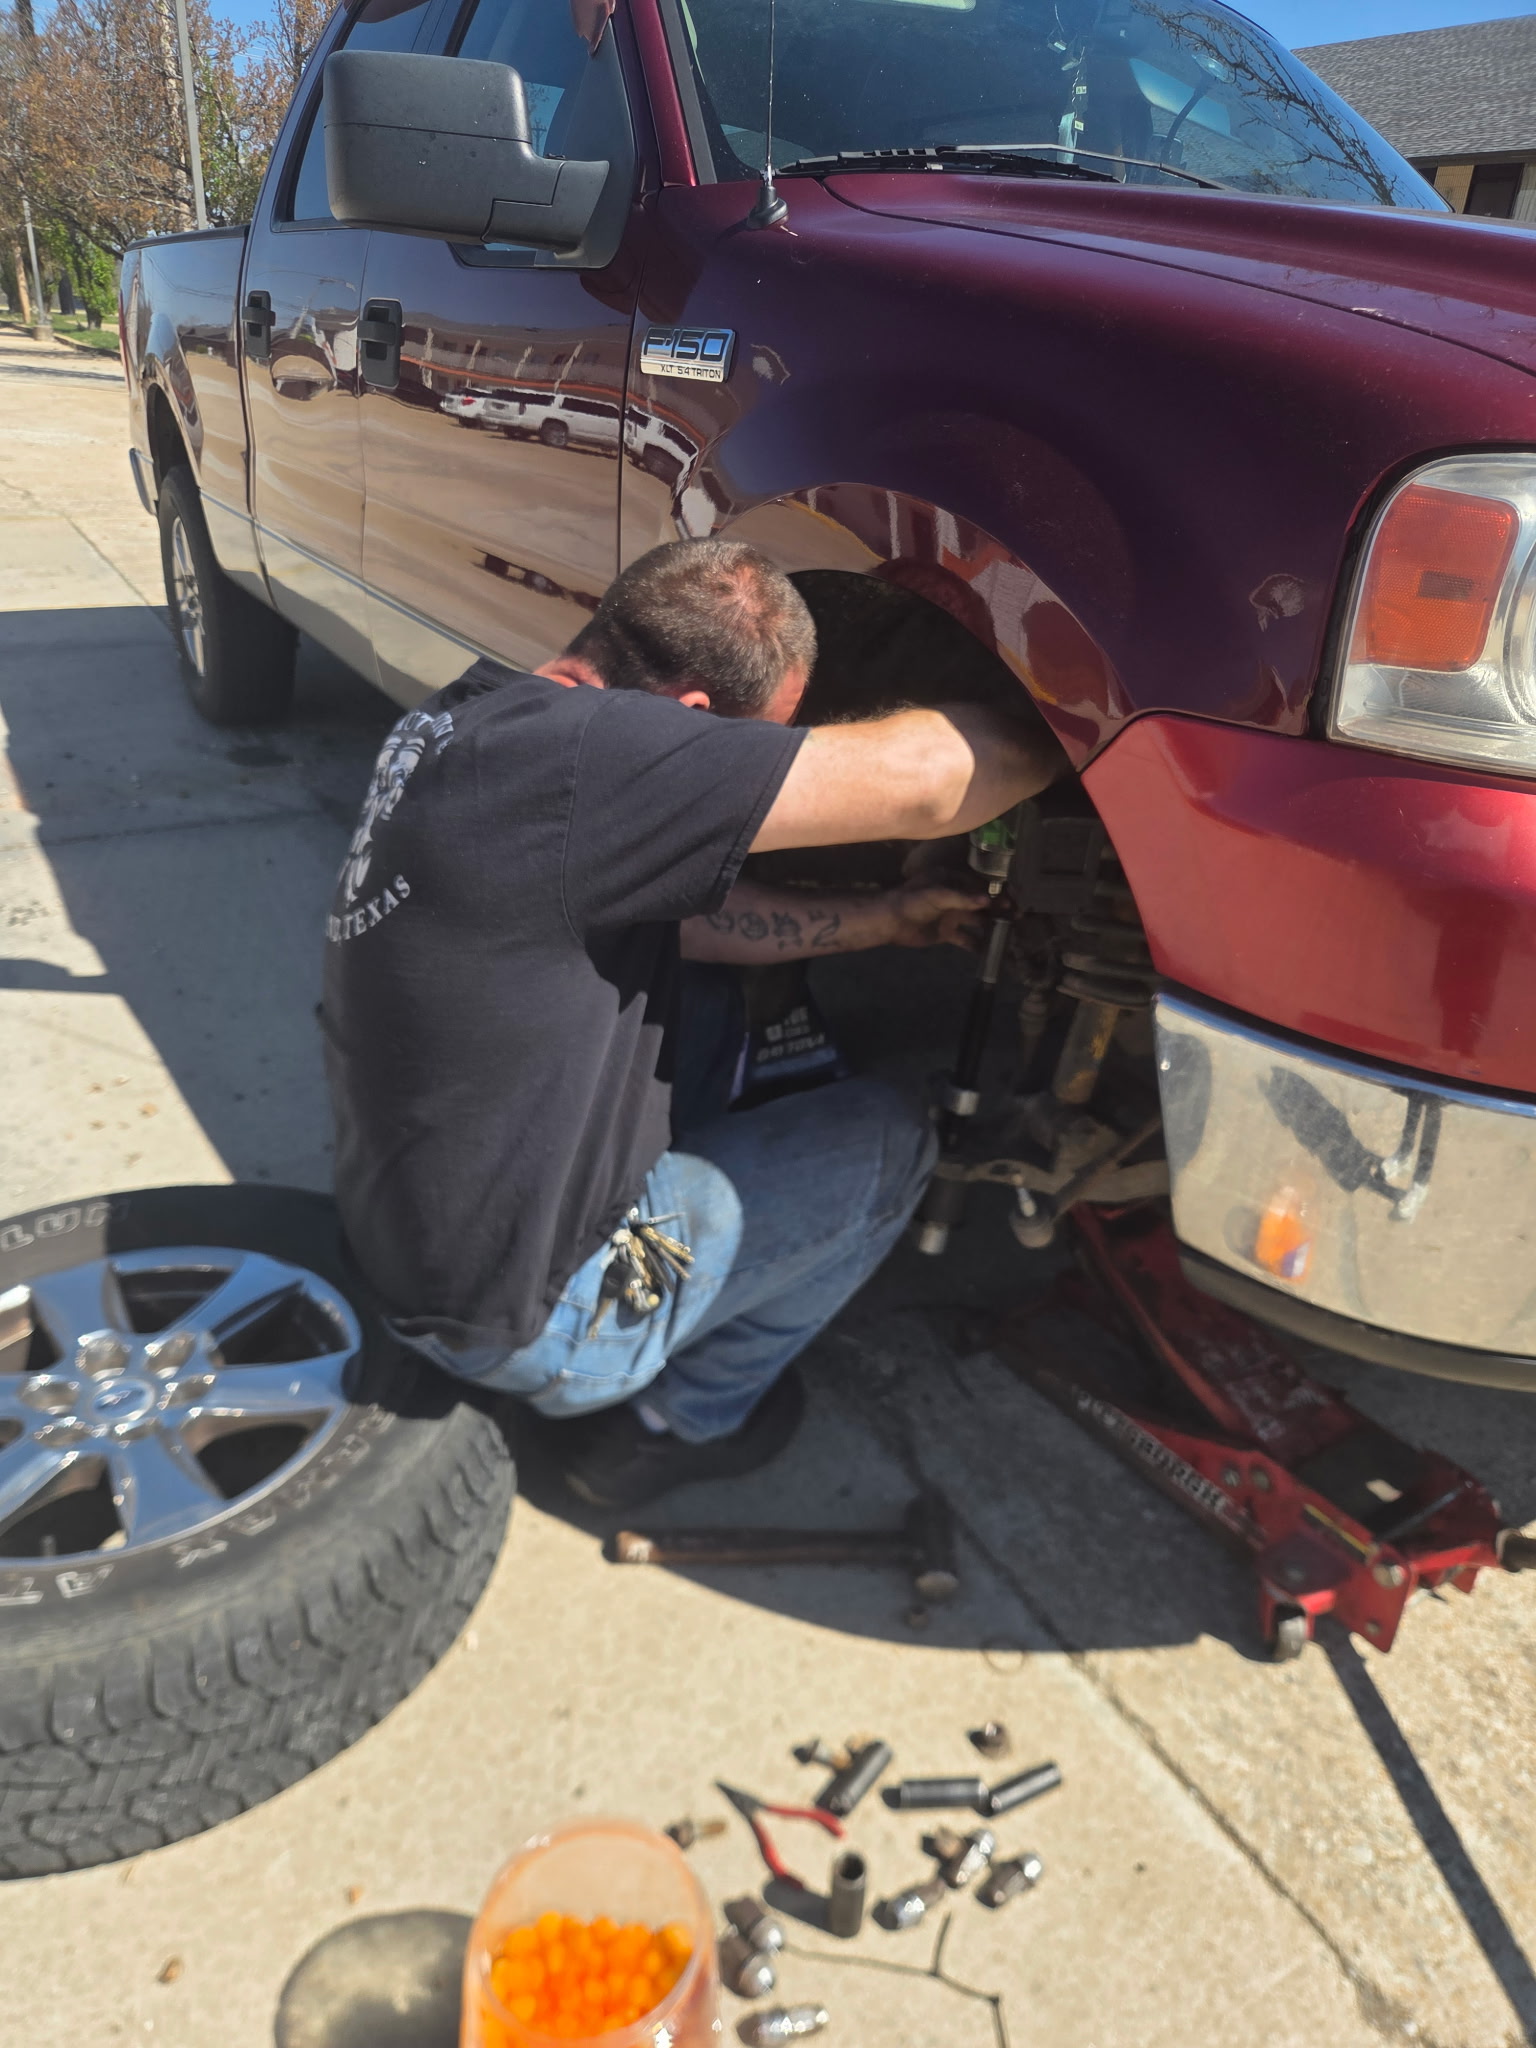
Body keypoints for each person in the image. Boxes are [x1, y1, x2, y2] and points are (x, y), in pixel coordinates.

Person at [323, 539, 1063, 1508]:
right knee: (895, 1139)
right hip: (530, 1319)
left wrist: (887, 919)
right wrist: (1079, 725)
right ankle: (680, 1422)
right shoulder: (602, 767)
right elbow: (939, 777)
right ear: (693, 718)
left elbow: (688, 924)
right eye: (751, 747)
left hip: (411, 1229)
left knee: (703, 995)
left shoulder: (473, 718)